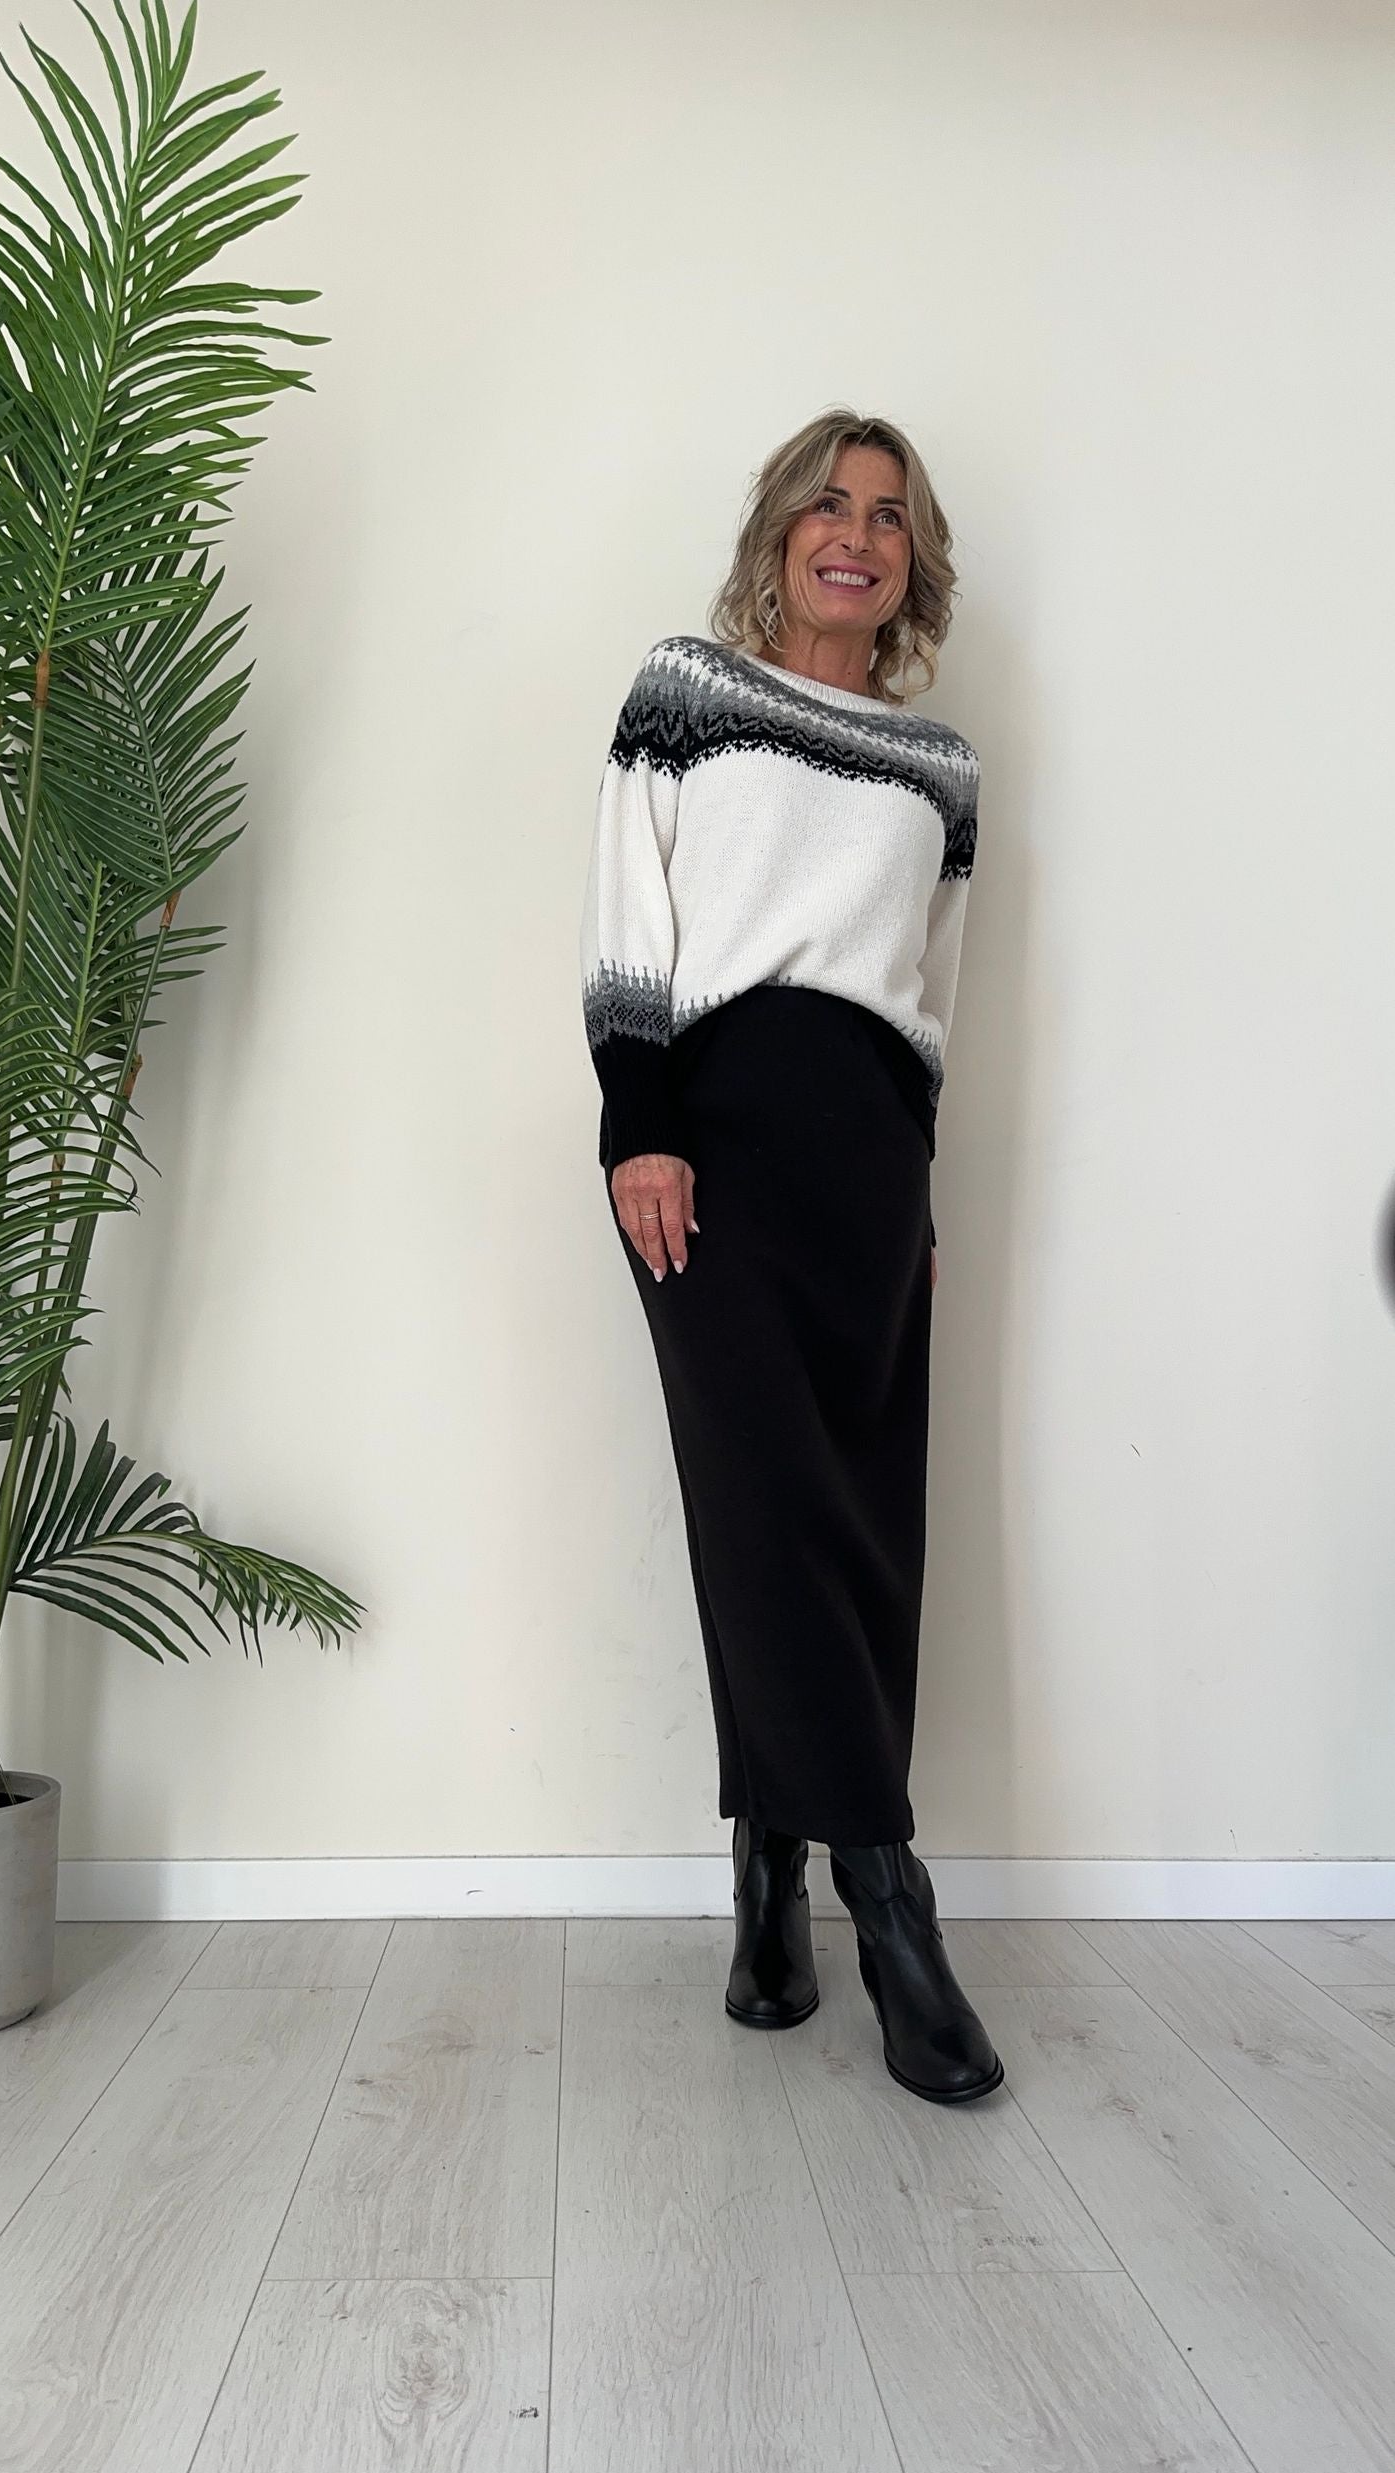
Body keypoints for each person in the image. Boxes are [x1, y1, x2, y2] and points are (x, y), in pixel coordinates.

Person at [577, 408, 1003, 2105]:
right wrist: (638, 1121)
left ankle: (767, 1869)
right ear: (778, 533)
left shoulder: (942, 767)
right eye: (829, 504)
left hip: (871, 1160)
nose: (857, 534)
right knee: (767, 1507)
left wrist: (923, 1200)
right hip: (714, 1140)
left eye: (890, 516)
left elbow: (933, 995)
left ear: (913, 562)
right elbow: (631, 911)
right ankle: (887, 1897)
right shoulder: (687, 691)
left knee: (864, 1518)